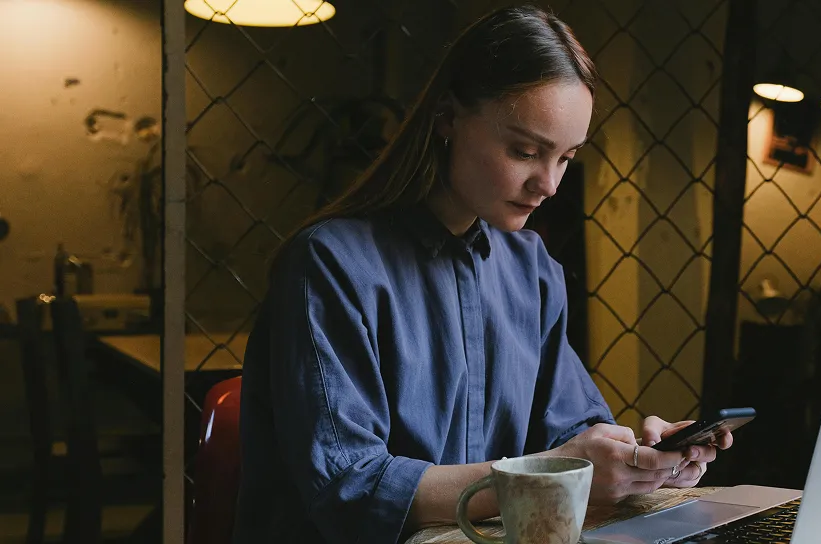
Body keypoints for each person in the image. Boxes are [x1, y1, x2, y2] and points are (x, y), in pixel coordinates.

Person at [233, 5, 733, 544]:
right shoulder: (330, 264)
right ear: (447, 117)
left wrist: (637, 461)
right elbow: (349, 488)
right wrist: (559, 473)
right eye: (525, 151)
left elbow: (568, 435)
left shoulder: (532, 269)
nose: (549, 185)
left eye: (566, 158)